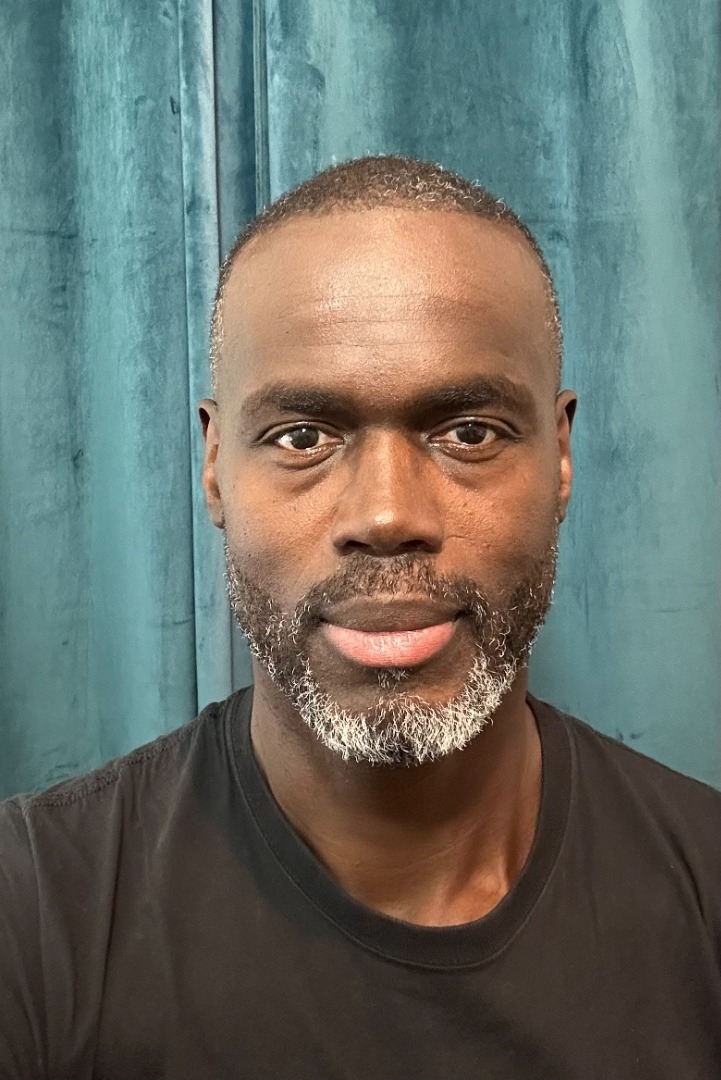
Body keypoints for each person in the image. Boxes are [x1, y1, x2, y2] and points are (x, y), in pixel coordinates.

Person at [0, 155, 719, 1080]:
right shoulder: (34, 914)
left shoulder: (702, 887)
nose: (385, 515)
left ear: (561, 455)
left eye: (468, 433)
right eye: (302, 437)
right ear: (215, 467)